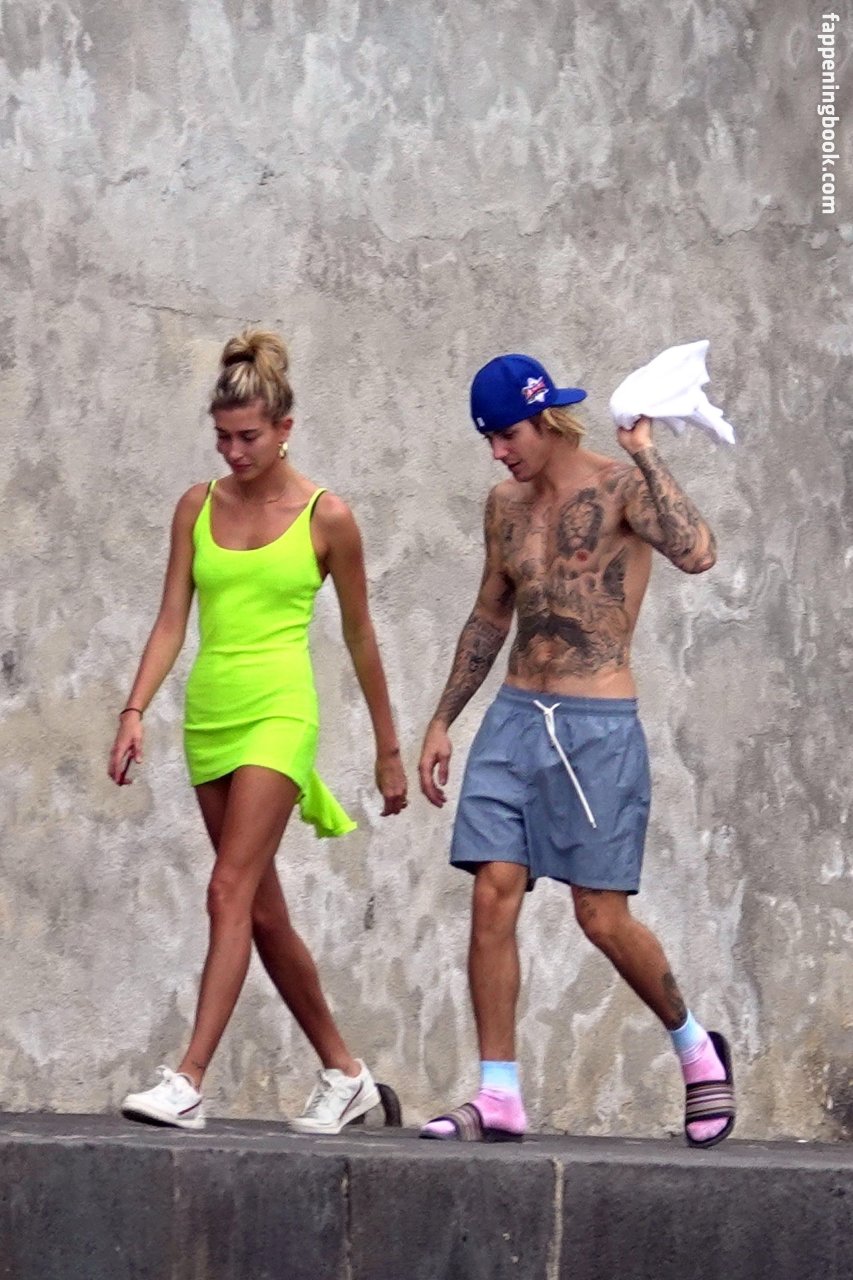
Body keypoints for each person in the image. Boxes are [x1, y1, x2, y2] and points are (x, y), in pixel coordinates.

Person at [417, 353, 735, 1148]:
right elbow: (489, 615)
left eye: (508, 434)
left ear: (546, 419)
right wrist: (442, 720)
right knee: (493, 889)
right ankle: (498, 1093)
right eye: (488, 439)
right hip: (513, 718)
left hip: (596, 726)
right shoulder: (503, 506)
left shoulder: (619, 486)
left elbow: (697, 552)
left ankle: (695, 1049)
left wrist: (645, 450)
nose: (498, 451)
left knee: (599, 915)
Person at [109, 329, 407, 1133]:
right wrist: (134, 710)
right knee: (261, 912)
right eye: (222, 437)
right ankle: (346, 1073)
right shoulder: (195, 507)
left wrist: (387, 749)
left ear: (284, 429)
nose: (234, 452)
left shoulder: (327, 517)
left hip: (281, 713)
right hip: (211, 716)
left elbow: (361, 638)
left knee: (225, 891)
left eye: (248, 436)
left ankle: (188, 1080)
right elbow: (171, 620)